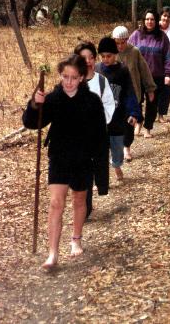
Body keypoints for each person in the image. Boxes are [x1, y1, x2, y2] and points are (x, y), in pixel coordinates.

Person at [22, 54, 109, 269]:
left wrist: (100, 172)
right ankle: (52, 253)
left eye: (73, 77)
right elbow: (32, 123)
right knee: (55, 203)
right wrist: (35, 104)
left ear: (81, 78)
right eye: (64, 77)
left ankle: (75, 239)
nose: (68, 82)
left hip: (83, 159)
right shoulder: (53, 98)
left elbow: (100, 138)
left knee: (79, 201)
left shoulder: (92, 102)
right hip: (59, 157)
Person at [74, 41, 115, 219]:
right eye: (84, 58)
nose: (89, 61)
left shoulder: (101, 81)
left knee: (93, 171)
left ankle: (86, 207)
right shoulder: (72, 80)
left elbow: (109, 105)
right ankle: (84, 207)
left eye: (91, 57)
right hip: (77, 138)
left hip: (96, 135)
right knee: (82, 174)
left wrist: (97, 122)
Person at [96, 36, 141, 180]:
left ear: (115, 54)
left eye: (108, 56)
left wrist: (133, 112)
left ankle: (116, 164)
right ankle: (101, 178)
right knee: (100, 148)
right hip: (100, 117)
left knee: (117, 147)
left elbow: (129, 92)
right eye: (102, 56)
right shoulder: (96, 69)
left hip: (117, 116)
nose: (105, 59)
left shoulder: (122, 70)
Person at [128, 8, 170, 138]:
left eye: (152, 19)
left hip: (156, 76)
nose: (149, 21)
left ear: (156, 21)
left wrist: (168, 74)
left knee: (152, 103)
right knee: (137, 101)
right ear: (144, 21)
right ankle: (139, 121)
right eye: (147, 19)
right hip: (138, 76)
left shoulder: (162, 37)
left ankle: (147, 128)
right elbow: (127, 52)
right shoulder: (136, 35)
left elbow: (169, 57)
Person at [112, 25, 156, 160]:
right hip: (114, 97)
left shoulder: (134, 52)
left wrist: (150, 88)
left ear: (127, 39)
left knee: (129, 124)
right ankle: (115, 148)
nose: (120, 46)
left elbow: (144, 70)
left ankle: (126, 148)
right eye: (117, 43)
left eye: (123, 42)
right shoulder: (110, 54)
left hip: (132, 95)